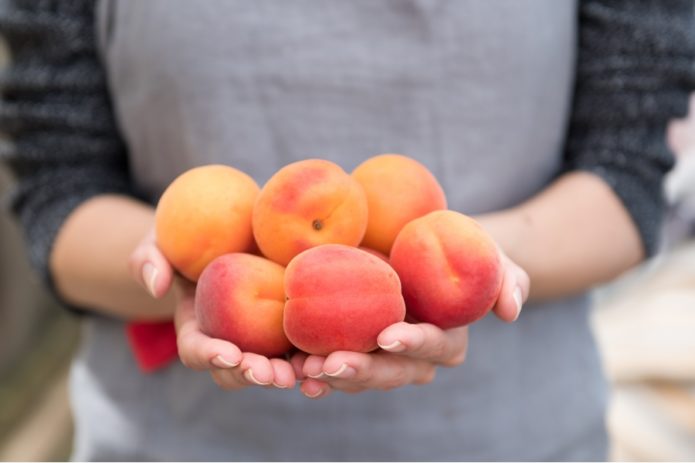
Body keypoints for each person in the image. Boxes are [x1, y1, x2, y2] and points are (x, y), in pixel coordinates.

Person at [1, 0, 693, 460]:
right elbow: (58, 188)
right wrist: (175, 269)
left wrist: (477, 261)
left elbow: (627, 171)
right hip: (172, 441)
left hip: (516, 437)